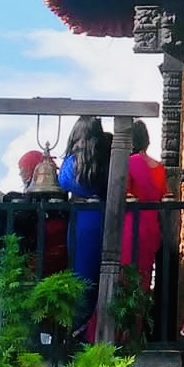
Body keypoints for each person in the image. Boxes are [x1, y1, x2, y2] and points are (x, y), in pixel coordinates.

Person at [58, 115, 110, 337]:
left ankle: (78, 330)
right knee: (102, 273)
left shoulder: (72, 163)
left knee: (81, 274)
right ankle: (96, 328)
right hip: (104, 218)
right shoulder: (106, 159)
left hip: (81, 220)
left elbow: (63, 181)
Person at [121, 120, 166, 300]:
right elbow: (163, 194)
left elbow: (123, 193)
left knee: (126, 278)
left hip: (131, 224)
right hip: (152, 226)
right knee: (144, 278)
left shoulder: (128, 163)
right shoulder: (159, 167)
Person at [13, 149, 70, 275]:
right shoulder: (34, 186)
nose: (21, 174)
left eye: (23, 170)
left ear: (33, 168)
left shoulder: (55, 186)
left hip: (52, 241)